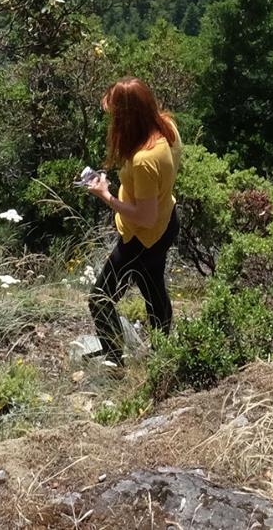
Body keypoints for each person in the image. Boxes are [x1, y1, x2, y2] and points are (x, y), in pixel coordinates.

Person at [83, 77, 183, 364]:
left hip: (141, 236)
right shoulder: (167, 127)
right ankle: (164, 354)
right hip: (166, 223)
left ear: (127, 117)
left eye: (115, 114)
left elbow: (145, 215)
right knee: (153, 290)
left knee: (100, 298)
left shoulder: (144, 159)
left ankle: (113, 361)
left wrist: (106, 194)